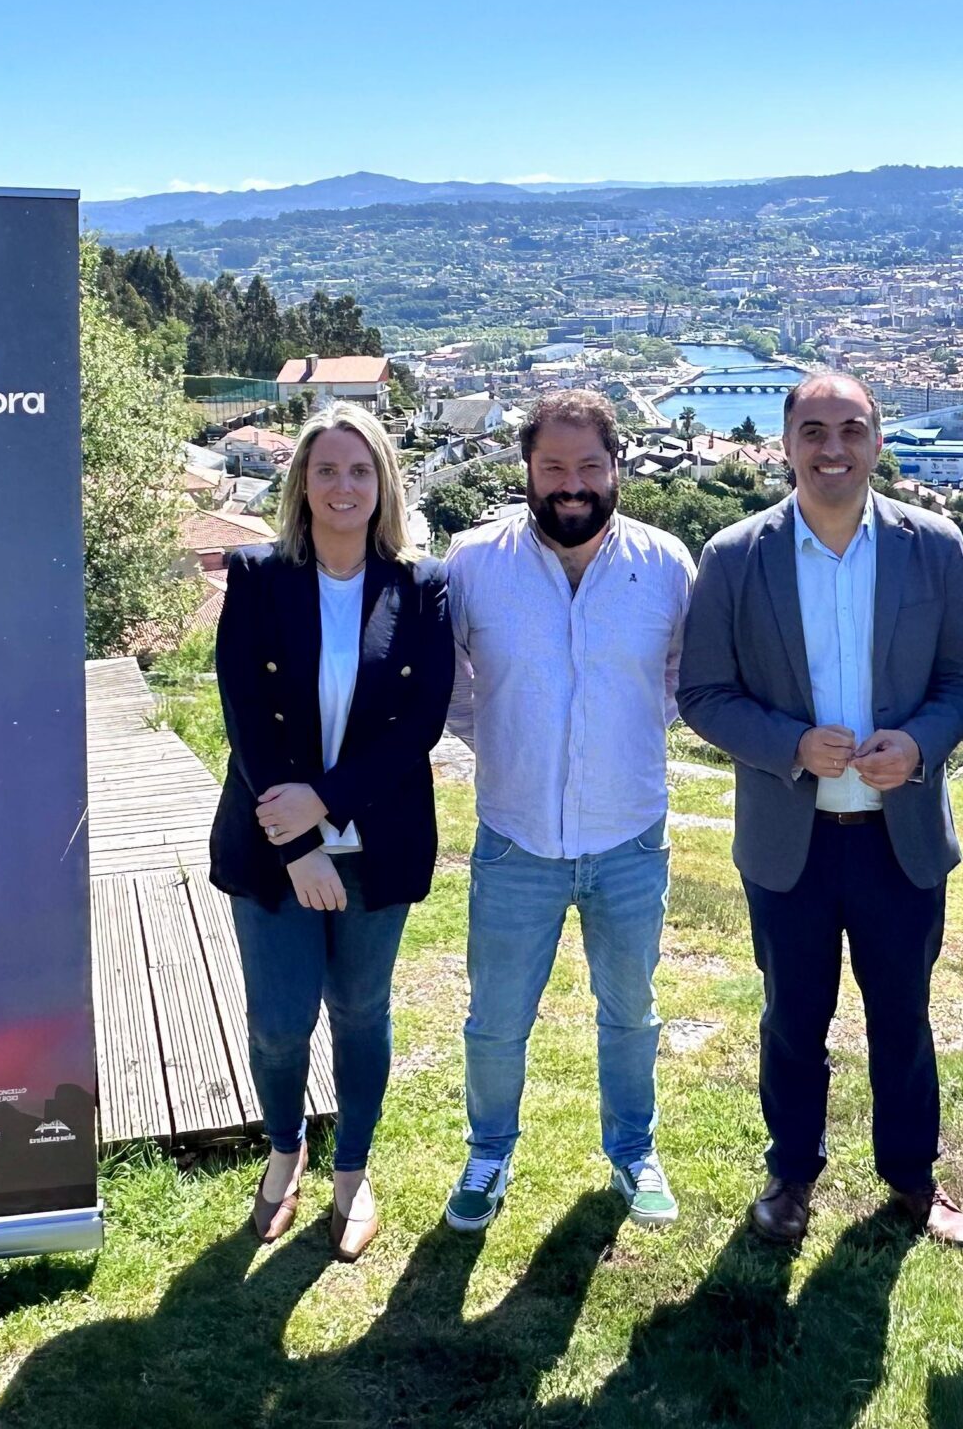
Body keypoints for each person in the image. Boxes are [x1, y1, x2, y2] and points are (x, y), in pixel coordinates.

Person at [677, 371, 963, 1248]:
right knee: (792, 1019)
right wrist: (788, 745)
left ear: (877, 441)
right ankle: (792, 1173)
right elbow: (703, 692)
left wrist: (920, 744)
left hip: (902, 837)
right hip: (791, 839)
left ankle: (913, 1179)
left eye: (851, 429)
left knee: (904, 1018)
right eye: (814, 430)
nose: (833, 448)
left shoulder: (935, 546)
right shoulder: (736, 556)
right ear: (786, 444)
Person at [443, 388, 695, 1232]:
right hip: (515, 836)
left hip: (630, 832)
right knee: (495, 1019)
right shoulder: (474, 562)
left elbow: (679, 679)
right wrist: (508, 744)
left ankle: (632, 1150)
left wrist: (616, 738)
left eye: (589, 465)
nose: (571, 483)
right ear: (527, 468)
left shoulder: (665, 565)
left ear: (616, 467)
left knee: (631, 1010)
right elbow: (451, 685)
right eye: (553, 465)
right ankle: (489, 1151)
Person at [210, 404, 453, 1262]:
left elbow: (416, 726)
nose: (343, 486)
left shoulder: (422, 589)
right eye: (326, 471)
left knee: (360, 1012)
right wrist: (299, 843)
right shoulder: (256, 576)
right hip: (272, 847)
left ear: (383, 482)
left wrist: (327, 806)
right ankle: (285, 1152)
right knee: (279, 1022)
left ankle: (352, 1171)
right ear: (301, 485)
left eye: (360, 470)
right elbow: (248, 721)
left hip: (377, 843)